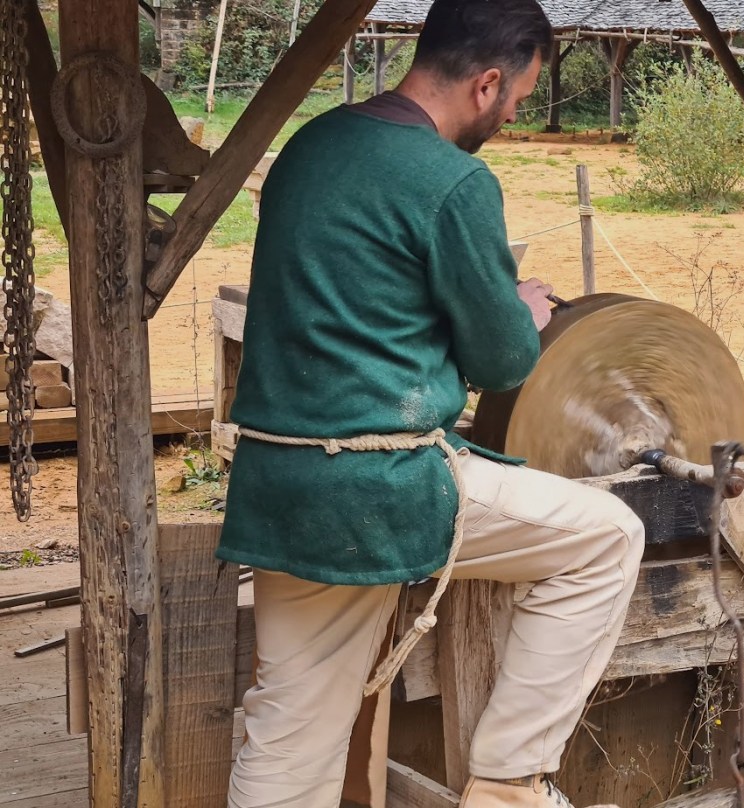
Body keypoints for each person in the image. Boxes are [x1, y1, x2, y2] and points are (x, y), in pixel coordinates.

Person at [216, 1, 646, 806]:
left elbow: (362, 300)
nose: (513, 116)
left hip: (279, 484)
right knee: (609, 539)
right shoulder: (453, 181)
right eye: (517, 99)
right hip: (383, 487)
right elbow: (502, 362)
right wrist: (520, 311)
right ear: (487, 83)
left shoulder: (313, 145)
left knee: (290, 727)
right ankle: (510, 785)